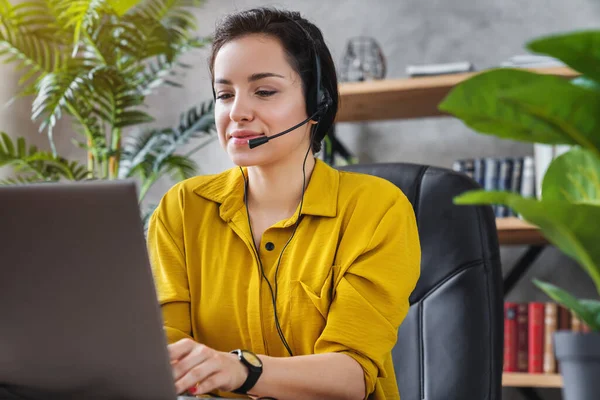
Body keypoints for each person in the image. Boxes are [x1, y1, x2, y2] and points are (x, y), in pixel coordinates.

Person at [147, 7, 420, 400]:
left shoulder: (377, 210)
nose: (236, 112)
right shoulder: (183, 208)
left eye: (264, 91)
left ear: (317, 103)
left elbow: (351, 374)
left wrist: (241, 369)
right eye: (224, 94)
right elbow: (165, 353)